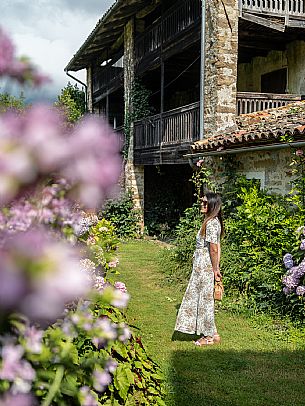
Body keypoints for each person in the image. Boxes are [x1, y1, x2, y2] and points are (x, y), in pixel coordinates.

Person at [174, 191, 224, 346]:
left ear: (212, 205)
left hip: (204, 265)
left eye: (205, 202)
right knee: (204, 298)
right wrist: (216, 267)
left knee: (204, 300)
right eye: (202, 202)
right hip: (204, 264)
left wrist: (215, 269)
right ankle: (213, 333)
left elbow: (214, 248)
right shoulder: (211, 221)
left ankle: (207, 336)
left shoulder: (211, 223)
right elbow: (217, 246)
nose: (202, 205)